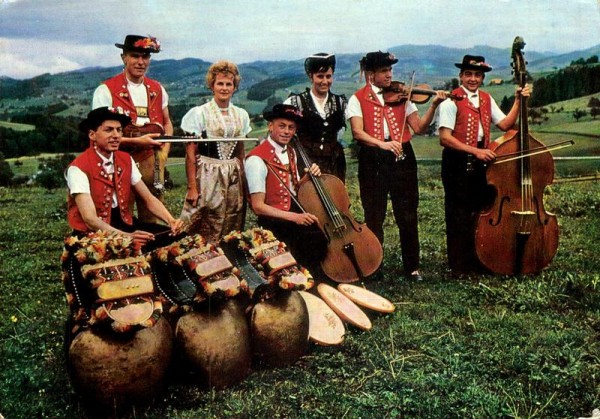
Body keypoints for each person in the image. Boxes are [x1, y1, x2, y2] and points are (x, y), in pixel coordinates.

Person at [347, 51, 447, 281]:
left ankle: (412, 267)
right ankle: (374, 266)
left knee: (408, 214)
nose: (389, 75)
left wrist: (433, 106)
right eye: (384, 71)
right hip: (373, 159)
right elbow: (358, 133)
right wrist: (382, 144)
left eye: (390, 70)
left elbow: (419, 128)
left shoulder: (402, 96)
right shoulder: (357, 99)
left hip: (403, 158)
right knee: (374, 214)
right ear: (370, 75)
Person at [437, 54, 531, 277]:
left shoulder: (487, 99)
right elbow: (445, 138)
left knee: (480, 211)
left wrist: (519, 100)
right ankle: (458, 266)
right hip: (457, 161)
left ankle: (479, 260)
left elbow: (506, 124)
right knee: (458, 213)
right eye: (468, 74)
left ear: (482, 78)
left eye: (477, 75)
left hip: (483, 162)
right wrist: (476, 151)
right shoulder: (451, 100)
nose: (472, 79)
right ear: (461, 76)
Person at [66, 107, 183, 250]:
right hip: (93, 233)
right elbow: (90, 219)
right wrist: (126, 237)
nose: (116, 135)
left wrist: (171, 220)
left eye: (119, 130)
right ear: (92, 135)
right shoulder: (78, 168)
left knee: (178, 238)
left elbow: (148, 198)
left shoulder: (125, 159)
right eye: (108, 130)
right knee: (137, 249)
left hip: (125, 225)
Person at [92, 34, 173, 224]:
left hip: (150, 161)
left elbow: (167, 122)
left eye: (145, 57)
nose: (140, 62)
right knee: (120, 218)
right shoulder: (105, 90)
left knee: (153, 218)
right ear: (124, 57)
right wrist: (136, 141)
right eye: (135, 56)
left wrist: (164, 151)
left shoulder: (158, 89)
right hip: (116, 162)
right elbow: (98, 134)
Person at [245, 104, 326, 267]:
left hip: (292, 212)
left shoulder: (291, 152)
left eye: (291, 127)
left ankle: (316, 278)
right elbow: (258, 206)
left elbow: (294, 188)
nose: (287, 131)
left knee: (319, 235)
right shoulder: (256, 159)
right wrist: (296, 218)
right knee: (310, 240)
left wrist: (308, 176)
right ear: (270, 126)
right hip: (273, 220)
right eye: (281, 126)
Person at [179, 61, 252, 242]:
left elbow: (240, 150)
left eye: (229, 84)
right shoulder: (199, 113)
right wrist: (192, 188)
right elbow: (190, 153)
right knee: (205, 219)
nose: (224, 88)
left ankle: (227, 260)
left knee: (232, 220)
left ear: (235, 87)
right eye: (220, 83)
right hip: (207, 172)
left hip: (233, 174)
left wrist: (243, 179)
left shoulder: (241, 114)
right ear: (212, 85)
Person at [284, 53, 348, 181]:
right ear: (310, 77)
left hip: (334, 164)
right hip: (304, 162)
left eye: (328, 76)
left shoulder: (341, 103)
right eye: (320, 76)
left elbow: (340, 133)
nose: (325, 81)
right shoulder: (295, 102)